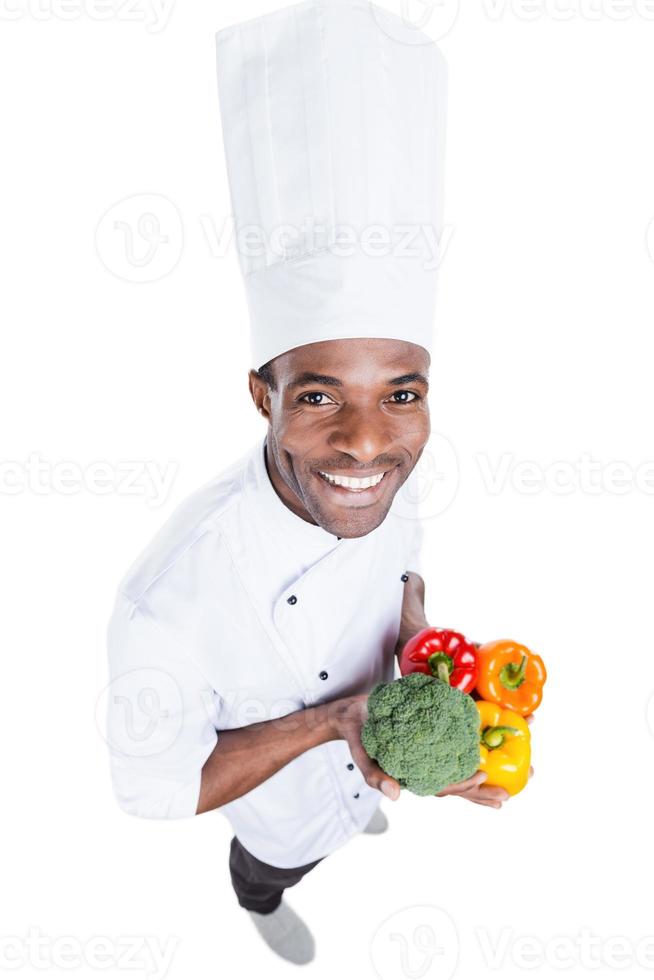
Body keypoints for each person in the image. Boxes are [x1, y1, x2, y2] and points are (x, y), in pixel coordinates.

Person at [105, 0, 509, 966]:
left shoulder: (392, 485)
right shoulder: (166, 603)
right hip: (274, 811)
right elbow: (155, 790)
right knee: (276, 860)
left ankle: (347, 818)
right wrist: (334, 722)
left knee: (356, 812)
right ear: (262, 394)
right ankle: (259, 899)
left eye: (402, 393)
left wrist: (424, 642)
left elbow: (403, 561)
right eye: (322, 395)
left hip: (368, 773)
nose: (369, 444)